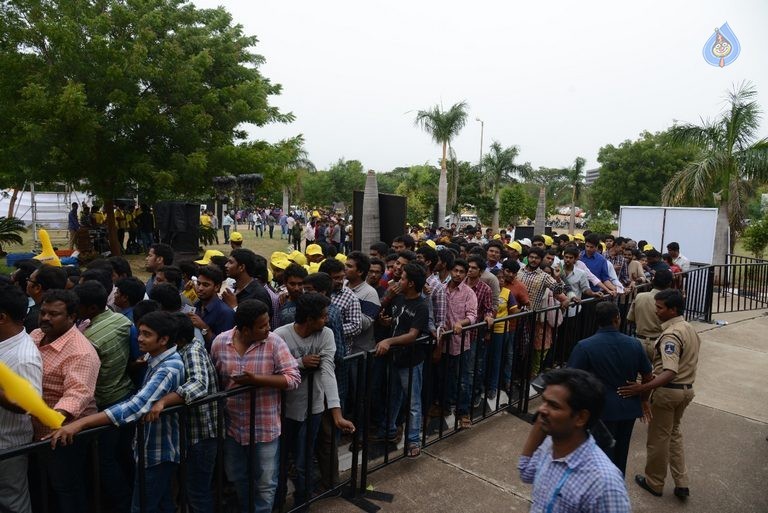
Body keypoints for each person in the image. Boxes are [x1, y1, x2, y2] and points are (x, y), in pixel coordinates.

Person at [46, 311, 185, 513]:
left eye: (147, 334)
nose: (139, 339)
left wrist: (80, 423)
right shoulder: (158, 359)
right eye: (140, 332)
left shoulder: (168, 368)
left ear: (163, 340)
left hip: (158, 450)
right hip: (152, 447)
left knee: (142, 507)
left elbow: (135, 406)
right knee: (162, 504)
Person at [210, 299, 300, 513]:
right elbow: (216, 380)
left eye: (268, 323)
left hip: (264, 427)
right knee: (237, 475)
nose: (268, 328)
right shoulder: (220, 343)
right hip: (232, 426)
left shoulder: (275, 342)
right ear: (245, 330)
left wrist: (257, 380)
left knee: (266, 482)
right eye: (262, 326)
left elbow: (293, 378)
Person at [619, 289, 700, 500]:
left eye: (660, 308)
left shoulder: (671, 335)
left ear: (673, 309)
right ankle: (681, 482)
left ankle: (654, 482)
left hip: (668, 393)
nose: (656, 311)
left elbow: (670, 371)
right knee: (674, 434)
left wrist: (642, 388)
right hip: (686, 390)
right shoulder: (689, 328)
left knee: (658, 439)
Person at [274, 293, 355, 506]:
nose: (326, 320)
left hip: (314, 407)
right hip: (285, 409)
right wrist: (300, 362)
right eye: (323, 316)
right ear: (309, 319)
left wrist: (337, 415)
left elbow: (328, 371)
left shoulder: (326, 334)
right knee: (280, 459)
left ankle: (302, 502)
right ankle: (278, 502)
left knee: (304, 459)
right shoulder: (280, 335)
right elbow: (273, 370)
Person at [518, 368, 631, 513]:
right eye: (543, 401)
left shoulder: (604, 483)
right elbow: (526, 472)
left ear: (581, 417)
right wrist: (544, 420)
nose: (541, 409)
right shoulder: (550, 445)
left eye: (554, 405)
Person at [29, 289, 101, 513]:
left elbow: (77, 394)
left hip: (64, 432)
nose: (46, 318)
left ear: (72, 317)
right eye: (43, 312)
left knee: (66, 487)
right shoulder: (36, 335)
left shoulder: (80, 352)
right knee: (42, 483)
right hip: (33, 428)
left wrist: (53, 420)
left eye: (54, 314)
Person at [144, 313, 219, 513]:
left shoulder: (191, 351)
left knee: (197, 492)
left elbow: (198, 384)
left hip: (200, 435)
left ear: (178, 339)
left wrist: (163, 402)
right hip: (187, 434)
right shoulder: (179, 350)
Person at [568, 301, 653, 476]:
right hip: (628, 408)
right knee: (620, 455)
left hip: (599, 412)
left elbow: (571, 380)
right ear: (617, 319)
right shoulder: (634, 344)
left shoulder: (585, 346)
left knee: (596, 458)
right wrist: (643, 397)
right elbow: (648, 375)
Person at [373, 263, 429, 456]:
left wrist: (388, 341)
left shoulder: (421, 305)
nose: (399, 281)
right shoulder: (398, 299)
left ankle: (413, 441)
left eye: (403, 278)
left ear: (412, 283)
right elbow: (395, 321)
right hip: (395, 359)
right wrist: (385, 322)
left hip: (411, 361)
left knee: (413, 402)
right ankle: (388, 429)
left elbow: (413, 335)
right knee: (393, 396)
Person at [0, 283, 42, 513]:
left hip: (8, 447)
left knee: (12, 502)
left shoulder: (23, 358)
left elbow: (30, 404)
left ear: (2, 317)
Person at [627, 269, 673, 360]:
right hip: (659, 343)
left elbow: (629, 319)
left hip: (639, 342)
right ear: (669, 284)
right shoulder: (670, 300)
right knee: (659, 372)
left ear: (653, 281)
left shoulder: (640, 296)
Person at [190, 265, 236, 350]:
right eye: (199, 283)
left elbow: (224, 347)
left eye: (205, 285)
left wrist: (204, 328)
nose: (200, 288)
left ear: (217, 287)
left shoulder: (225, 313)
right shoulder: (196, 305)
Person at [24, 264, 68, 333]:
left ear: (37, 288)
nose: (27, 282)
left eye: (29, 279)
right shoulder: (65, 310)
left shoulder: (36, 318)